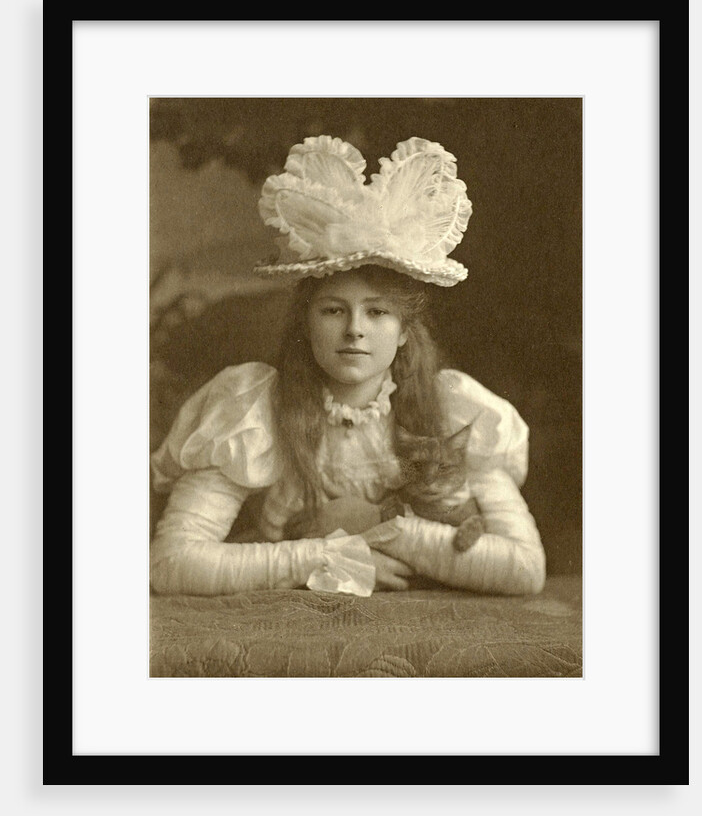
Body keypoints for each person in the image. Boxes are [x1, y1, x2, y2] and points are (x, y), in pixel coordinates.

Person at [150, 135, 546, 597]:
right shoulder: (253, 408)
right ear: (308, 324)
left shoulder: (453, 407)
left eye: (377, 313)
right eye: (334, 310)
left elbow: (524, 568)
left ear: (403, 332)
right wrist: (333, 557)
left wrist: (382, 530)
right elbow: (172, 563)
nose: (355, 330)